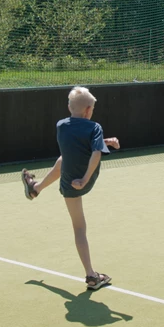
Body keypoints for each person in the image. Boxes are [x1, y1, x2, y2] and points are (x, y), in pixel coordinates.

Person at [21, 87, 120, 290]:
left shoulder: (61, 126)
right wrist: (84, 179)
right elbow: (95, 154)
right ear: (89, 110)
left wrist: (105, 142)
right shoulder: (94, 127)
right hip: (83, 180)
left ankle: (36, 189)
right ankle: (91, 276)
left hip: (68, 182)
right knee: (80, 228)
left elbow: (78, 143)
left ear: (69, 107)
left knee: (64, 157)